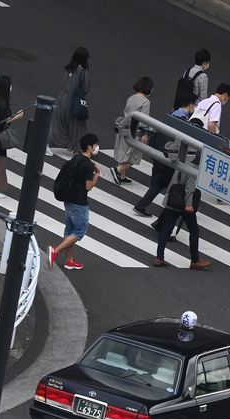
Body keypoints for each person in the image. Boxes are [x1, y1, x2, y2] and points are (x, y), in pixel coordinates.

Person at [134, 96, 198, 218]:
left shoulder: (173, 114)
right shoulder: (182, 120)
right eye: (194, 105)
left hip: (160, 153)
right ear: (190, 105)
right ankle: (163, 215)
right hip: (167, 157)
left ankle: (145, 208)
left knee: (159, 184)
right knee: (170, 186)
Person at [47, 134, 101, 271]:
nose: (96, 148)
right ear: (89, 147)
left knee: (70, 230)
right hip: (79, 203)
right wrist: (97, 175)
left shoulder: (76, 158)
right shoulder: (88, 165)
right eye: (95, 145)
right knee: (79, 232)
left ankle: (69, 260)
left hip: (68, 200)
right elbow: (88, 187)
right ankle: (55, 250)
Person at [152, 164, 211, 270]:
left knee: (166, 229)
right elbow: (190, 187)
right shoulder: (195, 166)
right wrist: (189, 204)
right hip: (183, 203)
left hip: (172, 199)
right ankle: (195, 260)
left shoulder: (183, 160)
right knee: (194, 230)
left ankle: (159, 257)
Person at [111, 77, 153, 184]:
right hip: (135, 132)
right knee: (134, 157)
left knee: (124, 153)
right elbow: (144, 119)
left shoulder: (131, 97)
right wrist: (145, 134)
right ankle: (118, 170)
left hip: (125, 127)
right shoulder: (146, 102)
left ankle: (121, 175)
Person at [49, 47, 90, 154]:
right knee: (77, 126)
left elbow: (64, 84)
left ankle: (49, 143)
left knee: (58, 124)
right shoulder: (83, 71)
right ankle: (77, 149)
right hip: (73, 101)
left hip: (62, 99)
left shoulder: (70, 68)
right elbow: (86, 88)